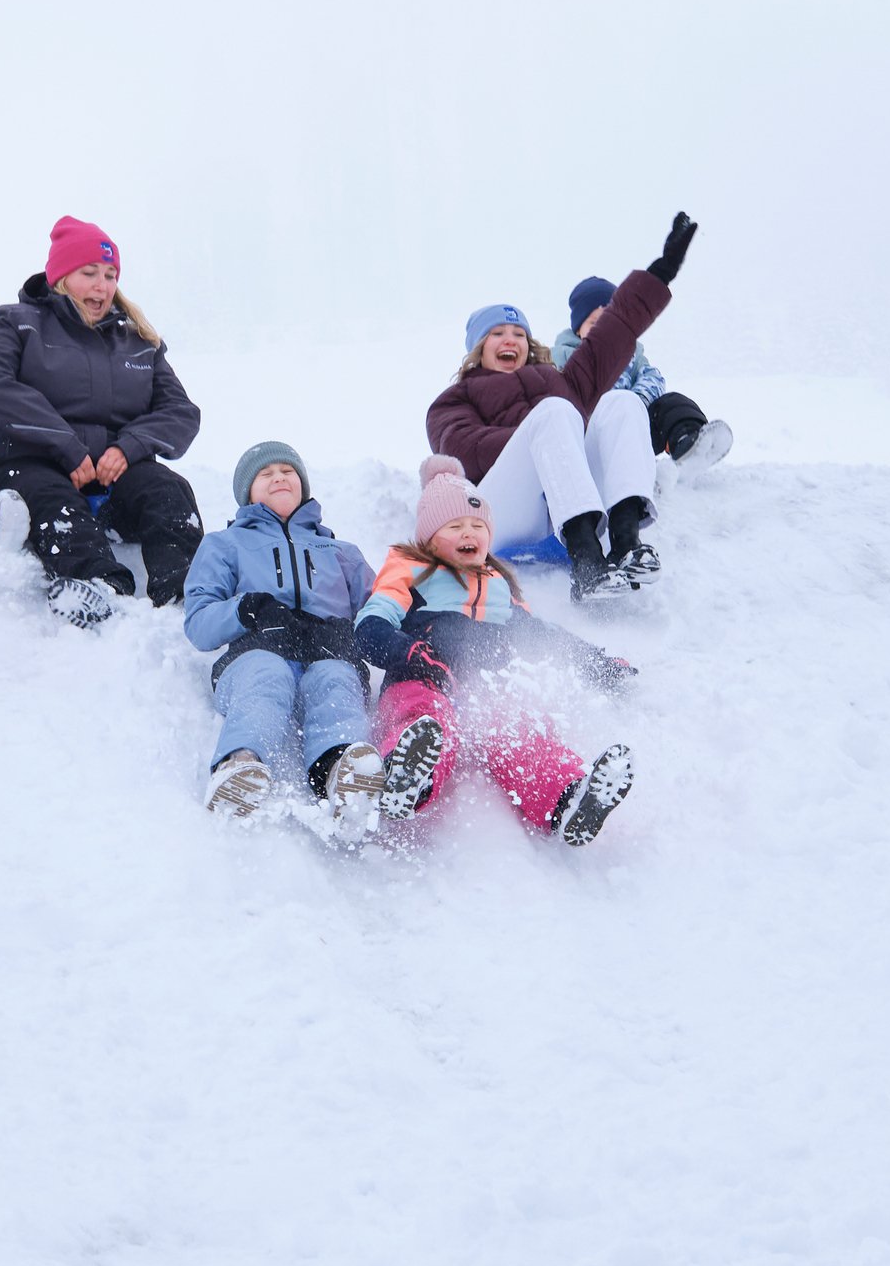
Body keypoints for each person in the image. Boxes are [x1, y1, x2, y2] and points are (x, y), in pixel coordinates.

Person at [352, 457, 636, 847]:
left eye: (478, 526)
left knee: (520, 730)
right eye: (455, 526)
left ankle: (569, 800)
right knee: (423, 717)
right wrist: (412, 654)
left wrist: (597, 663)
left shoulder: (498, 583)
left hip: (485, 687)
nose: (469, 533)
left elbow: (540, 636)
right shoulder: (411, 567)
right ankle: (407, 778)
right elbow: (372, 623)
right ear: (429, 537)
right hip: (425, 673)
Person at [431, 211, 697, 600]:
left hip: (572, 499)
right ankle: (586, 562)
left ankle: (625, 542)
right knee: (556, 413)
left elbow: (615, 329)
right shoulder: (453, 400)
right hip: (505, 513)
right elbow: (463, 451)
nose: (511, 340)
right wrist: (547, 437)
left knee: (621, 401)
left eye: (519, 333)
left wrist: (660, 273)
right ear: (478, 347)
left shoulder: (559, 380)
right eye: (498, 333)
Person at [0, 215, 205, 623]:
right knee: (54, 501)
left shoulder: (138, 340)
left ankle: (185, 593)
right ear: (60, 276)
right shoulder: (16, 322)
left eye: (111, 275)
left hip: (114, 472)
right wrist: (66, 446)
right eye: (90, 273)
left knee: (169, 492)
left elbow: (180, 412)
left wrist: (129, 448)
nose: (103, 285)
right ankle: (100, 587)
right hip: (26, 460)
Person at [178, 440, 386, 821]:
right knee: (266, 679)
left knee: (337, 681)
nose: (279, 477)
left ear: (303, 484)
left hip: (329, 651)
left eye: (288, 471)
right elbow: (199, 624)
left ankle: (343, 774)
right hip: (257, 652)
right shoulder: (226, 545)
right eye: (266, 473)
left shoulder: (340, 551)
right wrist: (247, 609)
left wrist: (350, 633)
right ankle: (238, 764)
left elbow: (380, 610)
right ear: (247, 492)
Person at [554, 276, 729, 470]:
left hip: (634, 430)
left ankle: (688, 443)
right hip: (593, 435)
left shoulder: (632, 353)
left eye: (610, 322)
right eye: (594, 324)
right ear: (579, 331)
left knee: (671, 404)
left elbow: (651, 376)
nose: (604, 330)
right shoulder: (567, 355)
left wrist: (636, 402)